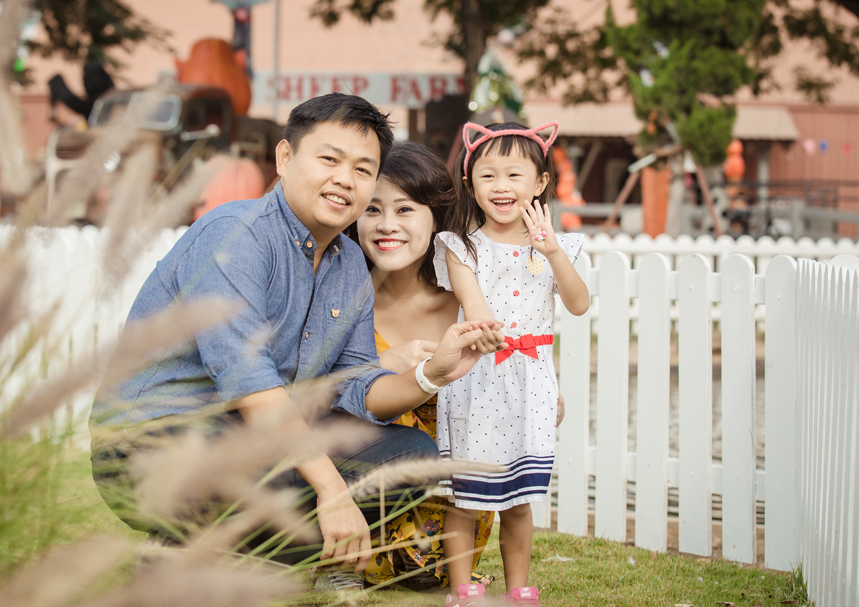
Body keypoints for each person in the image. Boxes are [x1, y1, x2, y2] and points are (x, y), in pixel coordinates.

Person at [88, 93, 505, 575]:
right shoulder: (236, 233)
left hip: (256, 445)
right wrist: (331, 491)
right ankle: (196, 546)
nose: (345, 179)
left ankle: (203, 553)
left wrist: (431, 375)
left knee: (408, 456)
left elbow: (356, 389)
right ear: (285, 158)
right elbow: (249, 382)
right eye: (329, 159)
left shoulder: (349, 265)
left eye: (363, 169)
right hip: (152, 443)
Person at [434, 121, 589, 607]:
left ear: (540, 183)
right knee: (465, 497)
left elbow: (579, 303)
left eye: (515, 176)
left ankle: (518, 588)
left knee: (518, 499)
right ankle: (463, 589)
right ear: (469, 182)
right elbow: (477, 312)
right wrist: (496, 338)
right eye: (489, 176)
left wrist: (552, 250)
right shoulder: (461, 247)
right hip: (477, 380)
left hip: (529, 382)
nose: (502, 188)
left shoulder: (559, 248)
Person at [352, 141, 495, 589]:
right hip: (357, 506)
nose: (386, 225)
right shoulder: (340, 303)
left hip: (450, 518)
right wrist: (379, 365)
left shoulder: (466, 306)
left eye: (405, 209)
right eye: (371, 210)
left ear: (436, 216)